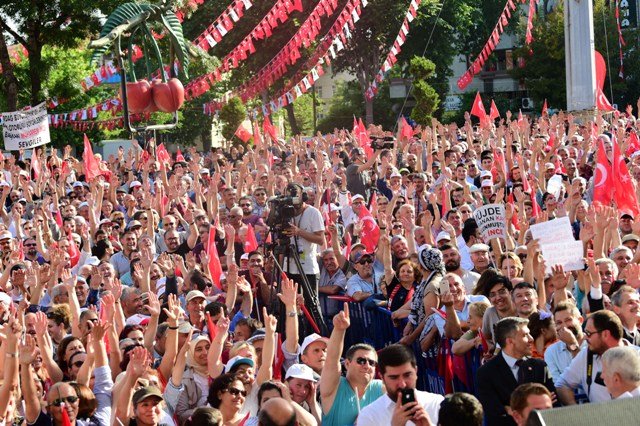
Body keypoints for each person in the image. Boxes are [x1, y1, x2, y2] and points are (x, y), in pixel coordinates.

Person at [476, 317, 555, 426]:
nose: (531, 339)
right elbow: (494, 413)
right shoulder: (486, 373)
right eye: (525, 335)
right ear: (510, 341)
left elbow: (553, 403)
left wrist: (510, 409)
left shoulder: (539, 367)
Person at [556, 310, 640, 405]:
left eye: (588, 333)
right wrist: (576, 411)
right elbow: (562, 384)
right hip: (599, 418)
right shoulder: (586, 356)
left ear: (605, 334)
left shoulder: (637, 356)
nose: (585, 338)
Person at [320, 303, 384, 425]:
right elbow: (331, 361)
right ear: (347, 364)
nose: (367, 366)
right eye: (361, 360)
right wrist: (339, 330)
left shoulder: (381, 389)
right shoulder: (334, 387)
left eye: (372, 363)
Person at [356, 344, 443, 425]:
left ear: (416, 371)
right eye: (394, 377)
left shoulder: (436, 404)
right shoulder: (369, 415)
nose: (402, 384)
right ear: (382, 378)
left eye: (407, 375)